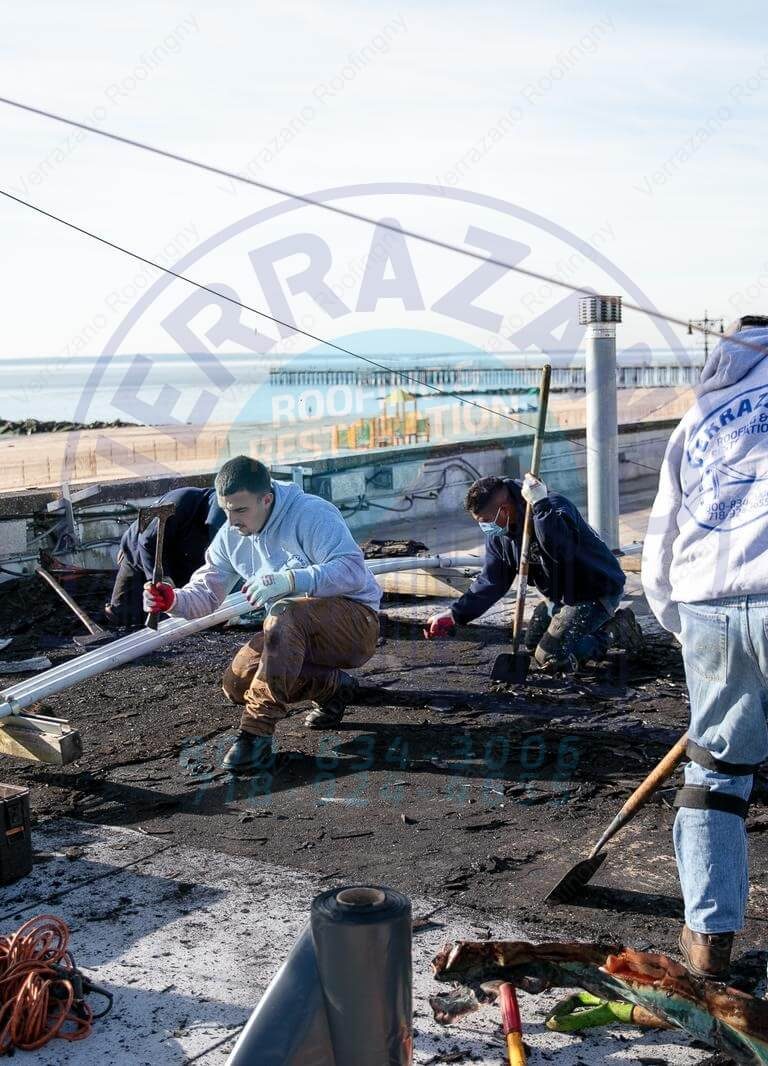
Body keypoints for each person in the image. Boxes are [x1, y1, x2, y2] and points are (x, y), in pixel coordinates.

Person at [642, 315, 768, 980]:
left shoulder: (699, 418)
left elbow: (661, 540)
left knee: (716, 771)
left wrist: (683, 625)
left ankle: (708, 940)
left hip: (707, 603)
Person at [143, 456, 381, 771]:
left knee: (285, 612)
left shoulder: (312, 514)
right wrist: (173, 600)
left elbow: (352, 571)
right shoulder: (232, 535)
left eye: (241, 510)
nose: (232, 521)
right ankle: (333, 687)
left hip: (355, 625)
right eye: (226, 510)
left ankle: (255, 735)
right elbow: (207, 593)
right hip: (292, 630)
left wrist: (292, 580)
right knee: (238, 683)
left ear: (266, 499)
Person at [425, 473, 642, 670]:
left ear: (504, 509)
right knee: (532, 644)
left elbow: (560, 551)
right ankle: (582, 632)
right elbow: (492, 581)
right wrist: (455, 614)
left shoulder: (554, 507)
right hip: (560, 597)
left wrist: (541, 507)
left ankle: (613, 632)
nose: (486, 528)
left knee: (550, 657)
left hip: (595, 592)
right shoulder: (499, 535)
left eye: (487, 522)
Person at [106, 486, 226, 628]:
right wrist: (162, 581)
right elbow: (147, 542)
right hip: (140, 555)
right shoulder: (180, 502)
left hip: (186, 562)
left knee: (185, 616)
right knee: (122, 616)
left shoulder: (237, 520)